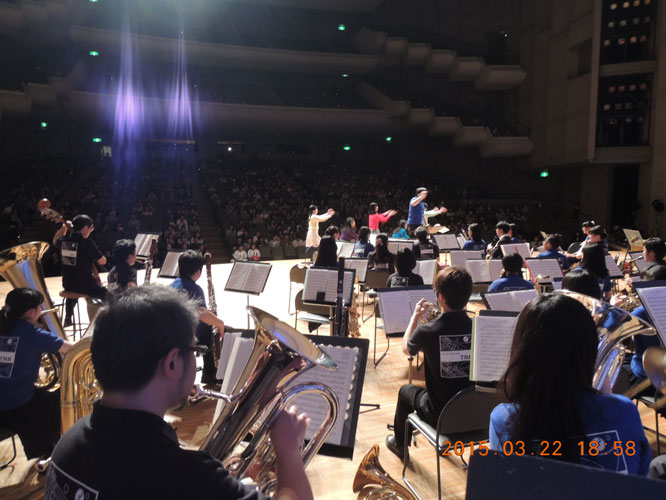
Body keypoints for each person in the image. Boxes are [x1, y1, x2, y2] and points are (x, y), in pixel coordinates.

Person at [47, 285, 313, 500]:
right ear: (172, 363)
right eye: (195, 350)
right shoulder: (184, 476)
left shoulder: (68, 444)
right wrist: (288, 451)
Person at [489, 294, 650, 475]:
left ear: (522, 350)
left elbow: (506, 481)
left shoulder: (504, 419)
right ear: (588, 349)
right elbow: (640, 476)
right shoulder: (624, 411)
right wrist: (609, 399)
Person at [385, 268, 473, 458]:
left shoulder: (427, 330)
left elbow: (406, 349)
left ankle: (400, 444)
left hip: (440, 414)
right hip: (473, 413)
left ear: (440, 297)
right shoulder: (479, 327)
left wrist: (415, 316)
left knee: (405, 391)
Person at [0, 288, 72, 459]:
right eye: (40, 307)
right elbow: (72, 349)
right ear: (31, 312)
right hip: (16, 404)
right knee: (61, 399)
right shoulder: (33, 334)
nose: (42, 310)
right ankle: (47, 452)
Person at [170, 250, 225, 385]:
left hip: (172, 332)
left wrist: (208, 314)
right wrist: (219, 323)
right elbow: (202, 314)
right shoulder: (195, 289)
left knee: (207, 324)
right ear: (198, 272)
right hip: (185, 336)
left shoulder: (172, 285)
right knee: (213, 330)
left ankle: (209, 373)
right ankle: (210, 373)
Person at [53, 214, 108, 324]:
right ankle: (105, 321)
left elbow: (55, 240)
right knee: (107, 295)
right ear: (85, 228)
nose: (91, 231)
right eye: (91, 228)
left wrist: (64, 227)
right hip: (85, 285)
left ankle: (68, 317)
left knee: (74, 288)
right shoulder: (87, 243)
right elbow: (102, 261)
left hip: (67, 283)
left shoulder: (65, 240)